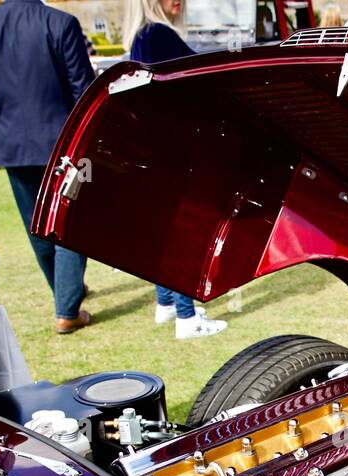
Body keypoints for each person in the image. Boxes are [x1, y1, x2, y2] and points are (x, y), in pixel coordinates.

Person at [0, 0, 94, 336]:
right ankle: (66, 308)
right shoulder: (62, 22)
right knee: (69, 223)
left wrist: (3, 120)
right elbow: (83, 87)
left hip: (13, 143)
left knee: (38, 223)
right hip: (63, 142)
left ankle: (66, 292)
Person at [123, 0, 225, 337]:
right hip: (174, 146)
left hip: (155, 145)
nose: (178, 2)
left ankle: (167, 304)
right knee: (183, 229)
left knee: (167, 228)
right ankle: (186, 315)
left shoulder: (142, 36)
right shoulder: (159, 34)